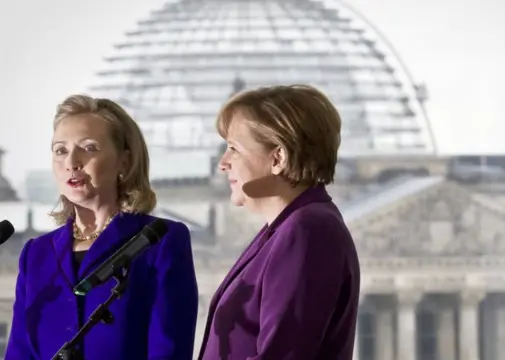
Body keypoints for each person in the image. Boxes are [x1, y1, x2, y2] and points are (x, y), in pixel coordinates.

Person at [5, 95, 199, 359]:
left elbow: (169, 349)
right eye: (60, 150)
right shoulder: (35, 254)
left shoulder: (160, 241)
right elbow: (21, 351)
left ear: (125, 161)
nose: (71, 162)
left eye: (89, 148)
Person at [198, 84, 361, 360]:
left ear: (278, 158)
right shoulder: (285, 229)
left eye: (234, 149)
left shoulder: (308, 232)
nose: (223, 163)